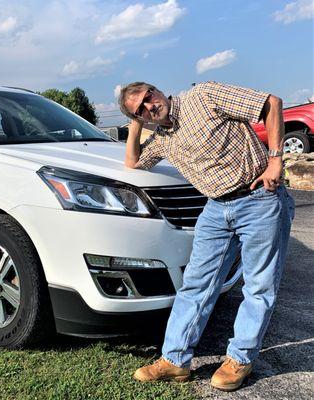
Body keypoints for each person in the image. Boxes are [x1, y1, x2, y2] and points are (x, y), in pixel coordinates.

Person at [118, 81, 295, 391]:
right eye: (140, 110)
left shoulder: (204, 96)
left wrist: (276, 158)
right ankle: (175, 360)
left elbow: (272, 102)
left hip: (259, 199)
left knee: (258, 285)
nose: (150, 106)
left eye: (148, 97)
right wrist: (136, 124)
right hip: (216, 209)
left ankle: (240, 357)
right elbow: (132, 161)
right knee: (196, 284)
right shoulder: (162, 139)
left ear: (157, 90)